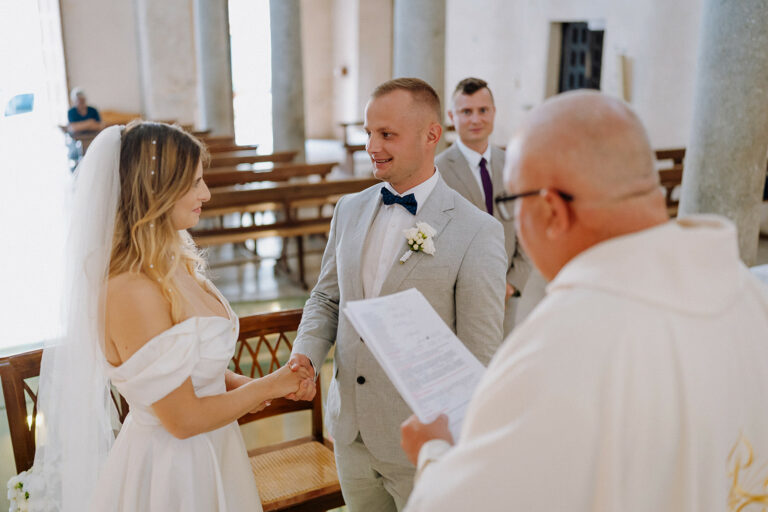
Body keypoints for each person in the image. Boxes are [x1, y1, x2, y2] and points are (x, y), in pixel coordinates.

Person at [400, 90, 768, 511]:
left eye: (511, 203)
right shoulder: (754, 296)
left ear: (552, 210)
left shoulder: (559, 350)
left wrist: (433, 453)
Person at [30, 121, 313, 511]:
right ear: (157, 191)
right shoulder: (130, 289)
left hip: (213, 445)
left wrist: (237, 384)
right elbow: (181, 418)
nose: (207, 193)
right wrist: (266, 387)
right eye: (195, 183)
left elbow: (187, 364)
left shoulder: (173, 258)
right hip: (174, 470)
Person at [286, 78, 507, 511]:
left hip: (421, 441)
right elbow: (328, 299)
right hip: (349, 431)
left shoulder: (477, 231)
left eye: (387, 134)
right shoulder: (348, 210)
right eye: (369, 133)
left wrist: (450, 447)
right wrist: (306, 354)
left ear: (430, 135)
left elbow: (478, 354)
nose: (372, 146)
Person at [436, 77, 546, 334]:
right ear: (452, 116)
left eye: (483, 110)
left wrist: (512, 284)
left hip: (506, 293)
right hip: (459, 296)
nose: (476, 119)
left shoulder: (512, 164)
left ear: (493, 113)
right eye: (466, 112)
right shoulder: (438, 171)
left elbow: (527, 228)